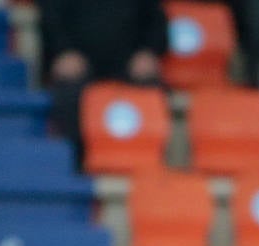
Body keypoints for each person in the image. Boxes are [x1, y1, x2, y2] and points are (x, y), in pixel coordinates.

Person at [36, 0, 168, 147]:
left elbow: (156, 21)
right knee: (68, 93)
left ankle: (142, 159)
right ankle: (77, 161)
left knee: (149, 88)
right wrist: (62, 51)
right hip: (77, 62)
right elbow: (51, 19)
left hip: (129, 62)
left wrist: (148, 51)